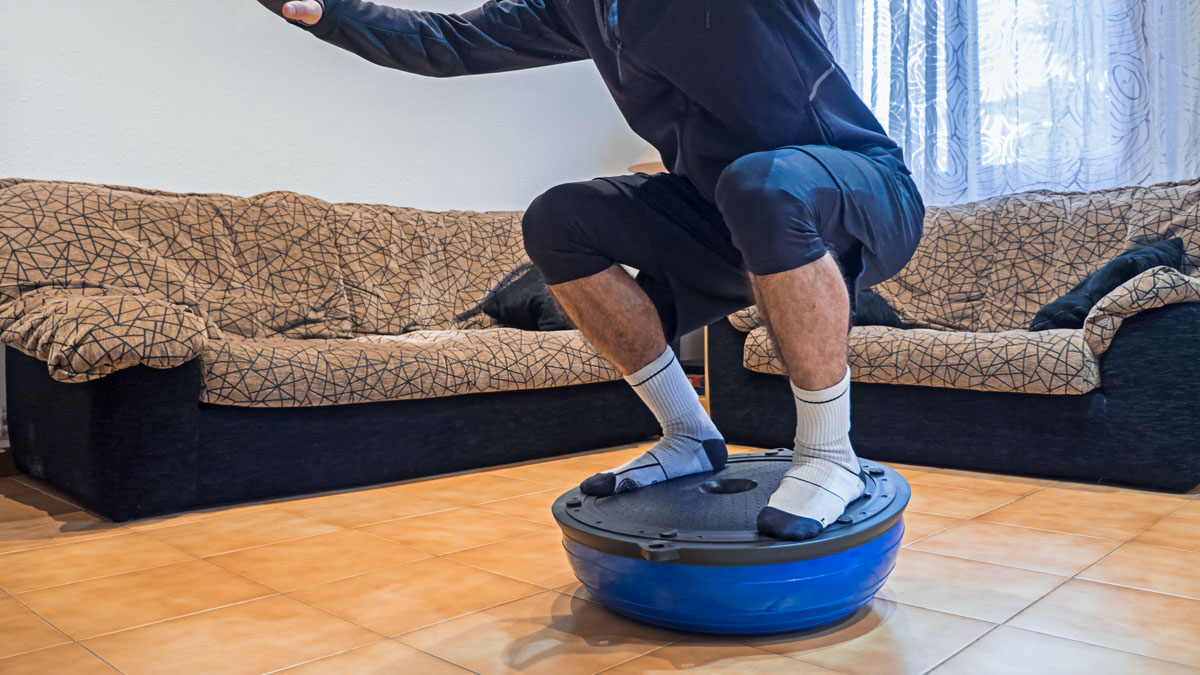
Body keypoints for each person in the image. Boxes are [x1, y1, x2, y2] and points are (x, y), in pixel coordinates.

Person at [260, 0, 925, 541]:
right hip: (724, 211)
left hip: (860, 188)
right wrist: (329, 13)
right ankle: (689, 434)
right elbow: (449, 41)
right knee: (558, 220)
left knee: (762, 185)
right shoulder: (577, 8)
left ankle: (830, 452)